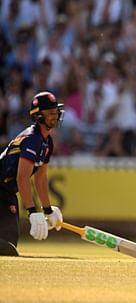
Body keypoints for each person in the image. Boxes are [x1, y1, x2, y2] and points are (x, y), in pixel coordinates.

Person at [0, 91, 64, 256]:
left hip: (7, 191)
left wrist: (48, 210)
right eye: (50, 113)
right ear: (39, 116)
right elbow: (22, 178)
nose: (55, 116)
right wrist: (32, 212)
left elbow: (40, 177)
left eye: (56, 112)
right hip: (2, 187)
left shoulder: (47, 142)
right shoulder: (33, 139)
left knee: (8, 247)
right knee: (7, 249)